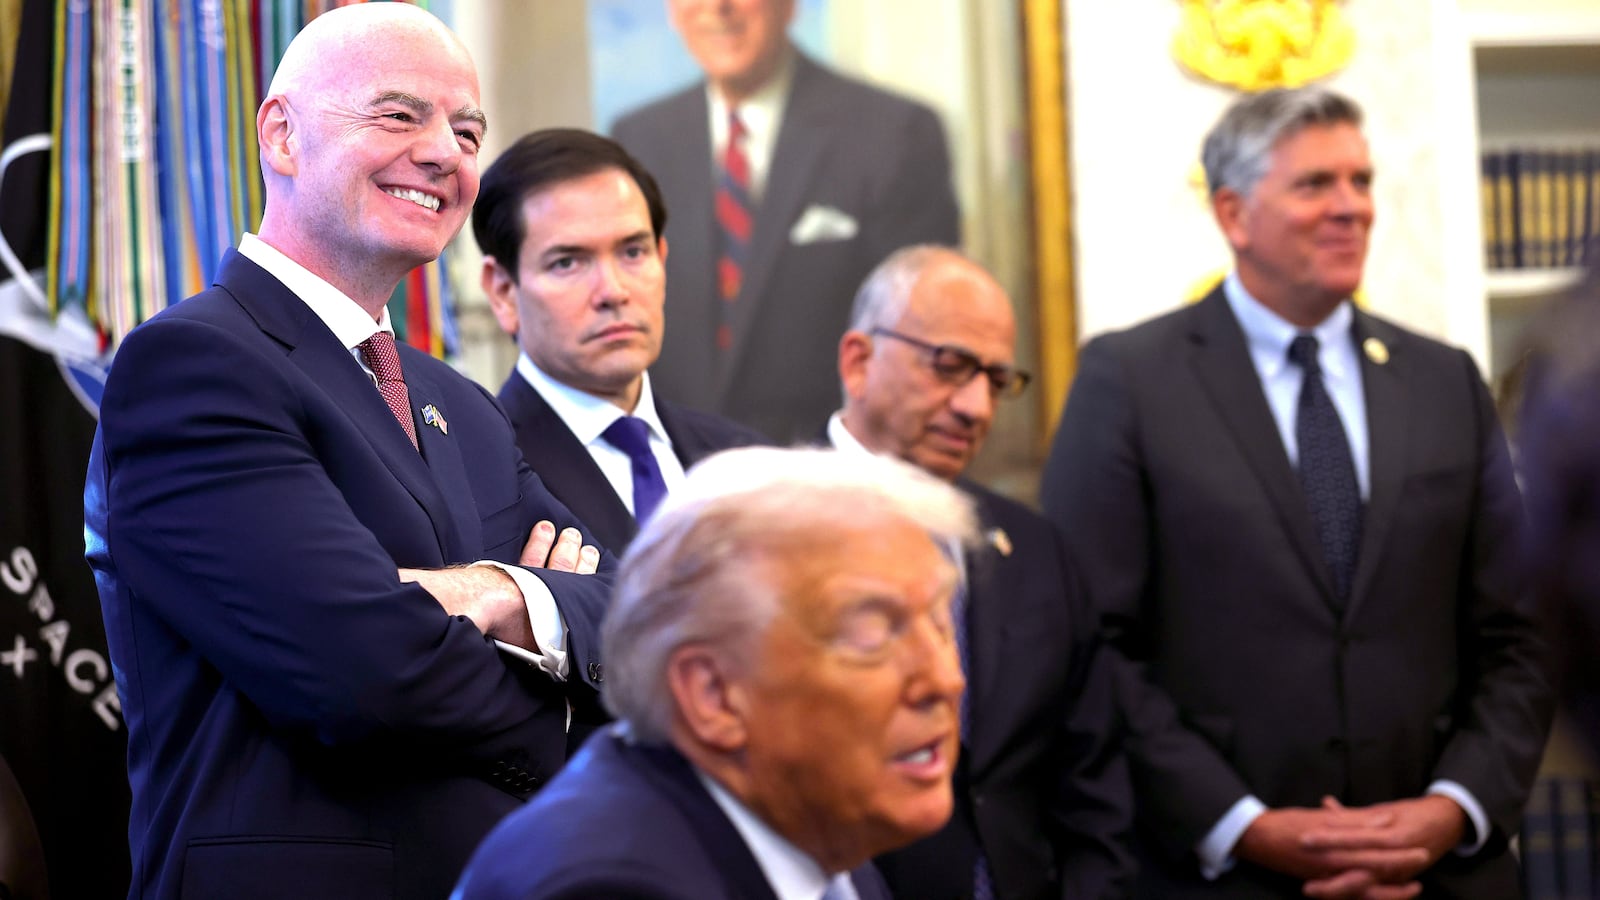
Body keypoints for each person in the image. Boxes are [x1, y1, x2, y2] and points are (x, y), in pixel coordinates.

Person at [83, 6, 615, 898]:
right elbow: (365, 673)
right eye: (399, 115)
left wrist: (490, 592)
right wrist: (557, 673)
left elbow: (632, 614)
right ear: (282, 135)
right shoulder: (193, 366)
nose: (444, 153)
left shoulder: (464, 406)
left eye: (468, 132)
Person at [1039, 86, 1552, 898]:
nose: (1352, 207)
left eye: (1361, 181)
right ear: (1234, 214)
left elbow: (1520, 630)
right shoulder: (1128, 382)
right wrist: (1240, 824)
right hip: (1219, 876)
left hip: (1440, 875)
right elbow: (1091, 642)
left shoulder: (1444, 381)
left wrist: (1452, 809)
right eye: (1315, 184)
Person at [452, 446, 972, 900]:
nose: (946, 682)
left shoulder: (819, 818)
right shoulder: (606, 885)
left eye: (941, 625)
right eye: (875, 637)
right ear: (713, 695)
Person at [829, 245, 1133, 898]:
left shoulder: (1035, 549)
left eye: (996, 381)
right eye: (950, 367)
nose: (977, 407)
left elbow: (1094, 785)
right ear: (858, 361)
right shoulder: (768, 531)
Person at [612, 0, 960, 443]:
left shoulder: (895, 134)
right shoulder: (638, 138)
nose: (718, 7)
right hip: (677, 460)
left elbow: (920, 332)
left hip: (832, 464)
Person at [473, 127, 766, 558]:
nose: (613, 291)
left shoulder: (744, 459)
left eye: (633, 253)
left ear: (662, 260)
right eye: (567, 262)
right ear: (502, 291)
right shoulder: (478, 479)